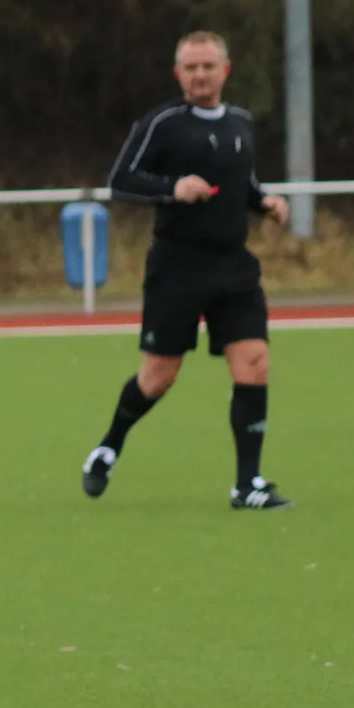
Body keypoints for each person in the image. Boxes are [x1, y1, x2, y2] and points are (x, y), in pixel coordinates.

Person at [80, 30, 294, 510]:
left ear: (226, 70)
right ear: (178, 74)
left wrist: (265, 202)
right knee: (158, 377)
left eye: (208, 66)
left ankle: (248, 485)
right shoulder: (163, 124)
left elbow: (243, 181)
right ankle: (109, 446)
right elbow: (122, 181)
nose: (200, 75)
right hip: (177, 268)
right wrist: (172, 187)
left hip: (233, 267)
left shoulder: (240, 122)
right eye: (191, 68)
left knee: (254, 362)